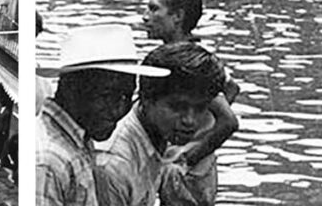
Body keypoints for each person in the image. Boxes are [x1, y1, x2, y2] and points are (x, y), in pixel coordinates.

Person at [37, 24, 169, 206]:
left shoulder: (77, 144)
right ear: (71, 88)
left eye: (127, 96)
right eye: (106, 96)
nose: (118, 110)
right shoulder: (48, 161)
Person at [141, 0, 240, 206]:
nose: (145, 17)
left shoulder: (189, 68)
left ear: (177, 17)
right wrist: (202, 120)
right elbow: (232, 87)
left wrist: (188, 155)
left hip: (186, 172)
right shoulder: (191, 57)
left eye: (154, 9)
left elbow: (229, 121)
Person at [96, 41, 230, 206]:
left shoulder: (157, 137)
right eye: (178, 107)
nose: (190, 121)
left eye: (201, 108)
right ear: (146, 98)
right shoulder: (115, 164)